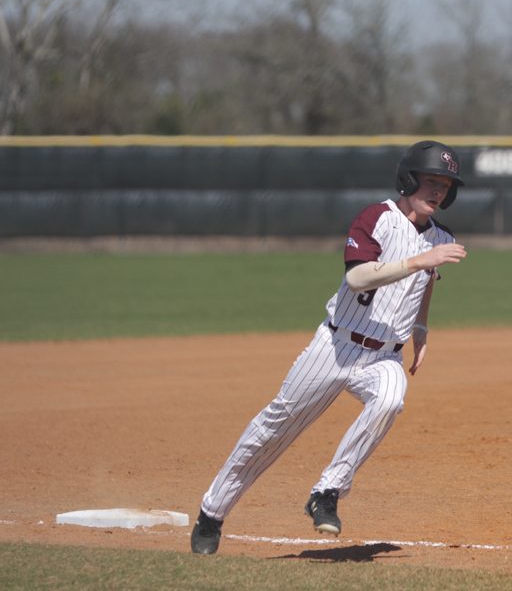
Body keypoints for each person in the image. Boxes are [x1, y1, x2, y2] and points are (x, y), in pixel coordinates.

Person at [190, 140, 468, 555]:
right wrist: (418, 262)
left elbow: (426, 282)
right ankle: (212, 513)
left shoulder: (440, 237)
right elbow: (358, 279)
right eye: (431, 181)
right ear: (409, 179)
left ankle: (327, 492)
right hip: (335, 347)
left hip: (384, 356)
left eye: (445, 185)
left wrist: (421, 327)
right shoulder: (376, 219)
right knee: (273, 430)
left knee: (391, 399)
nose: (438, 191)